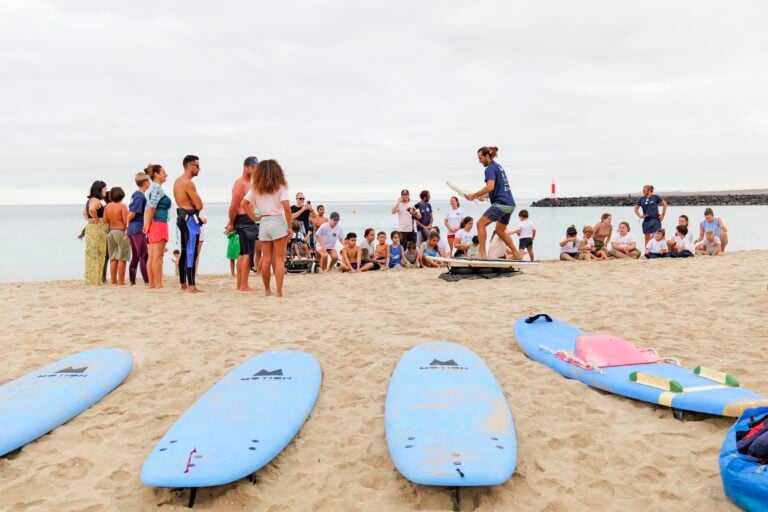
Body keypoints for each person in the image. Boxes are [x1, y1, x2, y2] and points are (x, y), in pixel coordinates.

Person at [241, 159, 292, 297]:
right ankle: (279, 291)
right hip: (277, 221)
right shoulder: (280, 187)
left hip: (264, 221)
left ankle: (267, 290)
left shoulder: (256, 188)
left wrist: (254, 218)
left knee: (266, 258)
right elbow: (287, 208)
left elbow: (244, 203)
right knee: (280, 259)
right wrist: (290, 227)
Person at [465, 146, 521, 259]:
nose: (479, 161)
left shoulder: (489, 168)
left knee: (480, 224)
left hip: (501, 204)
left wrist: (474, 195)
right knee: (500, 231)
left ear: (487, 156)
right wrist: (485, 196)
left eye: (480, 158)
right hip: (510, 204)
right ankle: (516, 253)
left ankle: (482, 253)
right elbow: (498, 187)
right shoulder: (498, 166)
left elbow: (490, 186)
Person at [227, 156, 261, 292]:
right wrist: (231, 222)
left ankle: (240, 284)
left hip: (247, 219)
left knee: (242, 253)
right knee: (247, 253)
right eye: (253, 167)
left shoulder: (250, 183)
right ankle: (243, 285)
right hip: (244, 220)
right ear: (246, 167)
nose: (255, 170)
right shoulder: (240, 183)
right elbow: (233, 206)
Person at [173, 155, 204, 293]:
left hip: (181, 216)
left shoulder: (178, 181)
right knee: (192, 251)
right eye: (197, 166)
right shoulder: (187, 182)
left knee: (185, 250)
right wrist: (194, 205)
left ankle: (183, 283)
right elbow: (199, 205)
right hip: (190, 218)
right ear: (190, 166)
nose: (199, 169)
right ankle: (192, 285)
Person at [144, 164, 171, 289]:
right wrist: (148, 224)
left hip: (154, 223)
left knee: (152, 256)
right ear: (156, 174)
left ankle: (152, 283)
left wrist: (147, 224)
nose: (166, 174)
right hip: (158, 223)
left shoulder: (151, 188)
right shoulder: (156, 188)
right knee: (158, 257)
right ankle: (158, 284)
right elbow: (152, 206)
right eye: (163, 172)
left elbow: (147, 208)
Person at [103, 187, 130, 285]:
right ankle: (121, 281)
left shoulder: (107, 206)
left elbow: (105, 221)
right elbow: (126, 221)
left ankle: (113, 280)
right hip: (121, 232)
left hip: (110, 233)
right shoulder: (122, 206)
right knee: (122, 257)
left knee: (113, 257)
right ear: (122, 195)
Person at [127, 172, 150, 285]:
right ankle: (147, 280)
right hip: (137, 228)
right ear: (145, 182)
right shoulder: (140, 197)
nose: (150, 183)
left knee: (135, 256)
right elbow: (132, 214)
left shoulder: (135, 194)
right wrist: (128, 226)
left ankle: (132, 280)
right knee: (143, 255)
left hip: (133, 229)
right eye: (149, 181)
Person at [84, 180, 109, 285]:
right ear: (99, 190)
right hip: (97, 231)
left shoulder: (90, 200)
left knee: (92, 254)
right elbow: (91, 210)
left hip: (91, 229)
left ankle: (92, 279)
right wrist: (95, 219)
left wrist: (90, 220)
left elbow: (84, 213)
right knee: (98, 254)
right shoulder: (96, 201)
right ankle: (96, 279)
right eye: (104, 189)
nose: (106, 191)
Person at [633, 185, 667, 249]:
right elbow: (635, 209)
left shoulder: (655, 197)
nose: (643, 191)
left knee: (660, 236)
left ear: (649, 190)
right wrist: (640, 215)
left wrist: (663, 215)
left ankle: (662, 250)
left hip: (656, 219)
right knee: (647, 237)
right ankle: (647, 252)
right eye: (643, 189)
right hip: (646, 220)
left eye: (644, 190)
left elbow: (664, 204)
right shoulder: (641, 199)